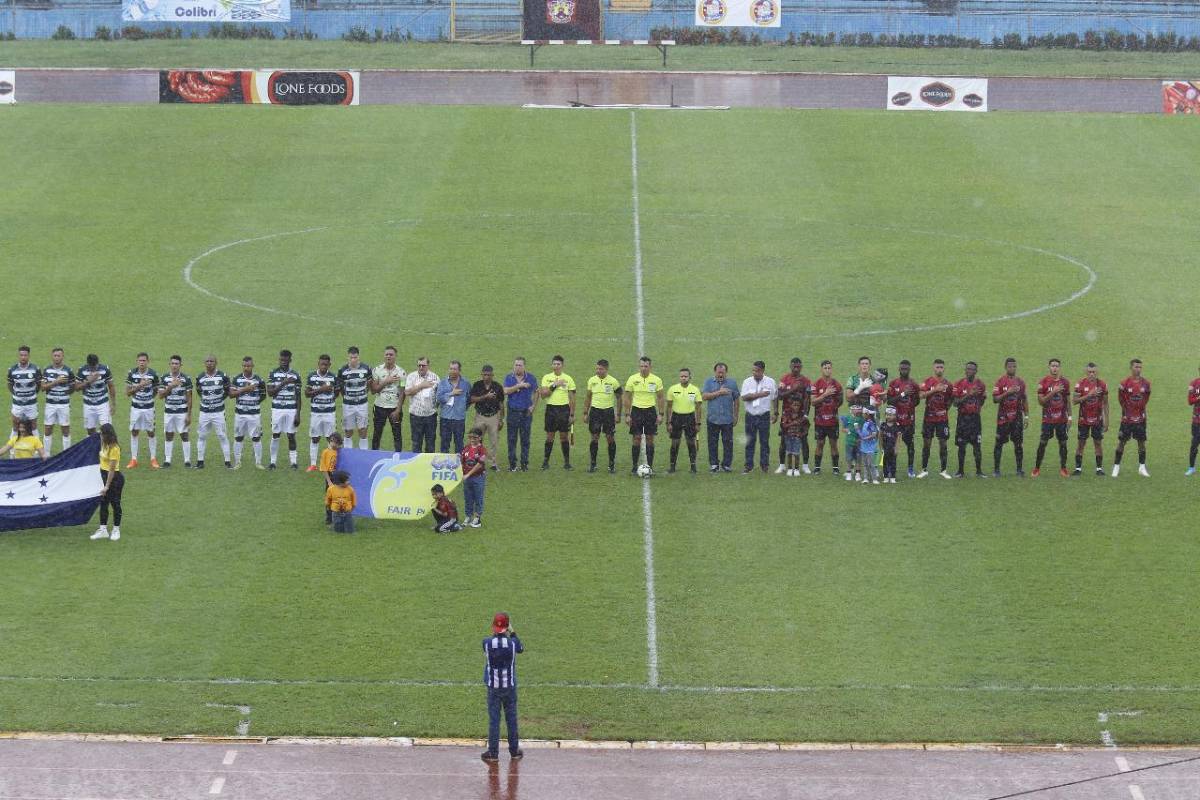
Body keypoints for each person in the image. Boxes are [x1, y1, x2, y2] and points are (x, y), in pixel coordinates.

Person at [481, 612, 524, 764]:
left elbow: (493, 641)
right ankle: (514, 751)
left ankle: (493, 753)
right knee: (511, 719)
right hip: (509, 687)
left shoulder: (486, 643)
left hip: (493, 688)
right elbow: (520, 648)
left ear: (494, 627)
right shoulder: (513, 644)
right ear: (507, 627)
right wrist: (513, 632)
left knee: (494, 720)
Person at [624, 356, 665, 475]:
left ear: (650, 367)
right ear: (639, 367)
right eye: (641, 366)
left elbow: (660, 397)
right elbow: (627, 397)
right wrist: (627, 414)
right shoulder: (632, 379)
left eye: (646, 366)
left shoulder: (656, 380)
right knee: (636, 438)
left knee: (650, 439)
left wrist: (661, 414)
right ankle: (634, 466)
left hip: (650, 411)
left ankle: (650, 466)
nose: (643, 368)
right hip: (636, 411)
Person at [1113, 358, 1151, 478]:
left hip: (1140, 419)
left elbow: (1146, 399)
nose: (1138, 369)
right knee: (1121, 442)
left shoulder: (1146, 384)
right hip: (1127, 419)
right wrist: (1128, 411)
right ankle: (1116, 467)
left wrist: (1139, 411)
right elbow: (1121, 400)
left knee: (1141, 443)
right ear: (1131, 368)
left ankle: (1142, 467)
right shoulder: (1124, 383)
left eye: (1140, 367)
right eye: (1136, 367)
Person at [1033, 358, 1071, 478]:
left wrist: (1070, 417)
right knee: (1043, 443)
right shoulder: (1043, 382)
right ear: (1049, 367)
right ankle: (1036, 468)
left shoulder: (1065, 382)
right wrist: (1053, 392)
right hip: (1047, 419)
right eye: (1053, 366)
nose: (1055, 368)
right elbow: (1041, 402)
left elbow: (1068, 401)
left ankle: (1063, 468)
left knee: (1063, 443)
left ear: (1059, 368)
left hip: (1061, 420)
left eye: (1057, 366)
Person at [583, 359, 621, 474]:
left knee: (610, 437)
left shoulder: (613, 381)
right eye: (597, 368)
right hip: (595, 411)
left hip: (608, 412)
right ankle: (593, 464)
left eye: (601, 369)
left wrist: (618, 414)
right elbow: (588, 397)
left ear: (606, 369)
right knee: (594, 437)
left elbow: (619, 398)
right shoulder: (592, 380)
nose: (598, 371)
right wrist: (585, 413)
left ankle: (611, 465)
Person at [775, 358, 811, 476]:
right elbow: (780, 396)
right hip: (787, 415)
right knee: (784, 440)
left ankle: (805, 466)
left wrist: (806, 414)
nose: (796, 369)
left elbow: (808, 399)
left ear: (801, 367)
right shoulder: (784, 379)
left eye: (798, 367)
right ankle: (782, 465)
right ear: (790, 366)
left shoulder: (806, 381)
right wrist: (793, 389)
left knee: (803, 439)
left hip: (800, 415)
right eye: (794, 366)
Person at [992, 357, 1027, 477]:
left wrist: (1026, 416)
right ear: (1005, 367)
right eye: (1010, 366)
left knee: (1018, 444)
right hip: (1003, 419)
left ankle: (1019, 469)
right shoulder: (1000, 381)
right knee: (999, 444)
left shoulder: (1021, 382)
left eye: (1014, 366)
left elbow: (1024, 399)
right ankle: (996, 470)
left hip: (1017, 418)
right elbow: (995, 399)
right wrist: (1008, 392)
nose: (1012, 368)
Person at [194, 354, 232, 469]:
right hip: (204, 412)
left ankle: (228, 462)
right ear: (204, 363)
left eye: (212, 361)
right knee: (201, 436)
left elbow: (227, 391)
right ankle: (200, 462)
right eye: (207, 361)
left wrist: (218, 400)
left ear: (216, 363)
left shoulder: (223, 376)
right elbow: (200, 392)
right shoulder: (200, 377)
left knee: (222, 436)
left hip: (218, 412)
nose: (209, 363)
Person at [267, 349, 302, 470]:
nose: (283, 362)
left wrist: (298, 414)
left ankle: (293, 462)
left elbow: (298, 396)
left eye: (285, 360)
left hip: (291, 410)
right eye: (281, 360)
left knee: (291, 435)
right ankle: (272, 462)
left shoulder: (296, 375)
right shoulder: (273, 373)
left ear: (290, 360)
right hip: (277, 409)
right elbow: (270, 393)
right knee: (276, 435)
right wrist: (284, 382)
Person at [539, 355, 576, 471]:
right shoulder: (547, 377)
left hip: (564, 410)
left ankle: (567, 463)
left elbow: (572, 398)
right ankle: (545, 462)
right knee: (550, 436)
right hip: (551, 409)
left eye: (558, 364)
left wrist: (572, 415)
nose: (556, 366)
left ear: (562, 365)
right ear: (552, 365)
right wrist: (555, 385)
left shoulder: (568, 379)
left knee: (564, 437)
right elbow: (543, 395)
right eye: (554, 364)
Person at [918, 359, 953, 479]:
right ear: (933, 368)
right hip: (929, 418)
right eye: (937, 367)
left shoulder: (948, 384)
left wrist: (945, 409)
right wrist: (934, 390)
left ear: (944, 369)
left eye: (941, 367)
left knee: (943, 444)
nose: (939, 369)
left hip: (942, 419)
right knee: (927, 443)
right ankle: (924, 469)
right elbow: (921, 395)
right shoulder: (928, 381)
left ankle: (944, 470)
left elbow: (951, 399)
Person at [701, 362, 739, 473]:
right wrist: (719, 392)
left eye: (723, 372)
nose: (720, 374)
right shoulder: (709, 382)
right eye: (719, 372)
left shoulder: (732, 383)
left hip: (727, 419)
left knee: (728, 443)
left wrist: (736, 416)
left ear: (726, 372)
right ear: (715, 372)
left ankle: (726, 465)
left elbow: (736, 400)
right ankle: (714, 464)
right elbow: (704, 396)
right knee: (712, 442)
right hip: (713, 419)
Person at [1072, 362, 1109, 476]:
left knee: (1098, 442)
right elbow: (1074, 401)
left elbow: (1105, 403)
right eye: (1089, 372)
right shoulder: (1080, 384)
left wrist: (1107, 420)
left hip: (1097, 420)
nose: (1092, 374)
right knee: (1081, 443)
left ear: (1096, 372)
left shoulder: (1102, 385)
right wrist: (1089, 395)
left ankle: (1099, 469)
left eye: (1093, 372)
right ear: (1086, 372)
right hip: (1083, 419)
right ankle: (1078, 469)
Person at [230, 355, 267, 470]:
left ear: (252, 366)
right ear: (242, 366)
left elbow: (263, 395)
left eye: (248, 366)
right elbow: (231, 395)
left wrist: (254, 403)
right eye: (244, 366)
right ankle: (237, 462)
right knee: (238, 437)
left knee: (256, 438)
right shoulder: (236, 379)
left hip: (254, 415)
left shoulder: (259, 380)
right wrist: (245, 389)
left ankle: (258, 462)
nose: (246, 368)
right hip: (240, 415)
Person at [124, 352, 159, 469]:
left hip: (149, 408)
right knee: (134, 431)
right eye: (140, 360)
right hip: (136, 408)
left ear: (148, 361)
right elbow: (127, 393)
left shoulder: (153, 374)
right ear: (137, 361)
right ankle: (134, 459)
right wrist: (140, 385)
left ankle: (153, 458)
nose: (142, 362)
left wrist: (148, 399)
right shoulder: (132, 373)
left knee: (151, 432)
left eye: (144, 360)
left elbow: (155, 391)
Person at [952, 361, 986, 478]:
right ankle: (960, 471)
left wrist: (980, 401)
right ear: (965, 370)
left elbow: (982, 401)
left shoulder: (981, 385)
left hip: (975, 419)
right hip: (963, 419)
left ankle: (979, 471)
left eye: (972, 369)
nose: (969, 371)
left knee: (977, 446)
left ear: (976, 371)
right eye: (968, 369)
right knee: (961, 446)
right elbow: (955, 403)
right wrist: (969, 395)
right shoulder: (958, 384)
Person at [503, 357, 538, 472]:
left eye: (520, 365)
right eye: (516, 365)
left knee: (525, 439)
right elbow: (505, 391)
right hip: (512, 412)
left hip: (526, 413)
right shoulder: (509, 377)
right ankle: (512, 464)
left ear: (524, 366)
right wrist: (519, 386)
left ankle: (524, 464)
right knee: (511, 439)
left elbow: (536, 392)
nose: (517, 367)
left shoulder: (531, 378)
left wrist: (533, 406)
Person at [740, 360, 776, 474]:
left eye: (757, 371)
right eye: (753, 370)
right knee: (749, 441)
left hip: (764, 415)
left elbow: (775, 397)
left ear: (763, 370)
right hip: (750, 415)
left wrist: (775, 412)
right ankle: (748, 465)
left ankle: (764, 465)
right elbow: (744, 397)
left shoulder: (770, 382)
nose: (755, 373)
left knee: (764, 442)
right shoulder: (747, 382)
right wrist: (760, 394)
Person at [158, 355, 193, 468]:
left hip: (182, 412)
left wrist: (189, 415)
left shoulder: (186, 378)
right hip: (169, 412)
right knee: (169, 435)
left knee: (184, 435)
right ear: (169, 364)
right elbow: (160, 396)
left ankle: (187, 461)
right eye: (172, 363)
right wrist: (170, 387)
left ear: (180, 365)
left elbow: (189, 398)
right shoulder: (164, 378)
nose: (174, 366)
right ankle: (167, 460)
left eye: (176, 364)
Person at [886, 360, 920, 477]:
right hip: (895, 421)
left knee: (910, 445)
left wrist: (909, 409)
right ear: (899, 369)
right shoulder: (893, 384)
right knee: (892, 445)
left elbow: (917, 401)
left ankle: (910, 468)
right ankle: (891, 468)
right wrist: (903, 394)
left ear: (909, 369)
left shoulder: (914, 385)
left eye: (906, 369)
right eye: (902, 368)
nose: (904, 371)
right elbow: (889, 401)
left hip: (909, 421)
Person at [305, 354, 338, 472]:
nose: (323, 366)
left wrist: (329, 400)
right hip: (316, 413)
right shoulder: (312, 376)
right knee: (315, 437)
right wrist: (321, 389)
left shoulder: (333, 377)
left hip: (329, 413)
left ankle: (330, 464)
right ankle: (313, 464)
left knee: (331, 438)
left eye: (326, 364)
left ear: (329, 365)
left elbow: (337, 392)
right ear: (318, 364)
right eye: (321, 364)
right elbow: (307, 394)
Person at [469, 365, 505, 471]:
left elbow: (501, 403)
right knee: (477, 439)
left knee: (494, 441)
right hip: (480, 416)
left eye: (489, 375)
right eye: (484, 375)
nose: (486, 377)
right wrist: (485, 396)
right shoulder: (477, 385)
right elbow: (472, 399)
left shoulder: (497, 387)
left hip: (493, 416)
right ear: (481, 375)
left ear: (492, 375)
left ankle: (493, 463)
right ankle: (477, 461)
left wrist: (501, 419)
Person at [666, 368, 702, 474]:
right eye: (681, 376)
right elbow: (669, 407)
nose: (683, 378)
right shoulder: (672, 389)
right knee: (675, 443)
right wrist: (668, 422)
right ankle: (672, 466)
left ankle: (693, 466)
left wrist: (698, 423)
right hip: (676, 417)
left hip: (690, 417)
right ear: (679, 377)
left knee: (691, 442)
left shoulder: (695, 390)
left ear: (690, 377)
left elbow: (698, 408)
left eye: (685, 376)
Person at [91, 423, 124, 541]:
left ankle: (116, 529)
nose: (100, 436)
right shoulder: (104, 444)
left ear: (107, 435)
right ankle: (103, 529)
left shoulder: (114, 448)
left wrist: (107, 486)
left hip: (114, 479)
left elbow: (112, 469)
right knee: (103, 504)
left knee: (115, 504)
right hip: (104, 477)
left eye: (102, 434)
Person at [370, 345, 405, 452]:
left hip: (394, 407)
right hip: (379, 407)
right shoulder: (377, 370)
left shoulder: (402, 372)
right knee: (377, 433)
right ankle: (374, 455)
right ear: (384, 356)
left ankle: (398, 456)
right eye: (386, 354)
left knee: (397, 434)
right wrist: (386, 381)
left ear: (395, 356)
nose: (388, 356)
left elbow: (402, 392)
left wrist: (398, 410)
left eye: (391, 354)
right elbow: (373, 390)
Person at [40, 347, 74, 455]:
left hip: (64, 405)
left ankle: (66, 455)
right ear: (52, 356)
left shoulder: (68, 370)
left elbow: (73, 386)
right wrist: (56, 381)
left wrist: (64, 394)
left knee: (65, 429)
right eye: (55, 355)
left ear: (62, 356)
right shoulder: (47, 370)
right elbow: (43, 387)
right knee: (48, 428)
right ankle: (46, 455)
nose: (56, 358)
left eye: (58, 355)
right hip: (50, 405)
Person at [337, 346, 372, 451]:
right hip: (348, 405)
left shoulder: (366, 368)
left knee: (363, 430)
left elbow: (369, 384)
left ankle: (363, 454)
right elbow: (341, 387)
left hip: (362, 405)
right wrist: (348, 397)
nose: (353, 360)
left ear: (358, 357)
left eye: (355, 357)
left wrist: (362, 394)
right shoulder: (342, 370)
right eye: (351, 358)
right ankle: (348, 453)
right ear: (348, 357)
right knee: (348, 431)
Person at [811, 360, 843, 475]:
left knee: (833, 444)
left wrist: (832, 408)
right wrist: (825, 394)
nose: (827, 370)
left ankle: (835, 468)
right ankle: (817, 468)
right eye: (825, 368)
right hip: (820, 422)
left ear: (832, 369)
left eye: (829, 368)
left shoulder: (837, 384)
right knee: (820, 443)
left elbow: (840, 401)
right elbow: (813, 402)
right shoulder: (816, 384)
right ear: (821, 369)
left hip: (833, 421)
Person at [404, 357, 439, 454]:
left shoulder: (435, 377)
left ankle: (429, 463)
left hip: (431, 417)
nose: (421, 367)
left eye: (423, 365)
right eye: (419, 365)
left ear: (428, 366)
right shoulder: (411, 376)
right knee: (416, 443)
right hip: (416, 416)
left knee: (430, 444)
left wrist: (434, 406)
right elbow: (407, 392)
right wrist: (421, 386)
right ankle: (417, 462)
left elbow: (439, 395)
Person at [75, 353, 115, 436]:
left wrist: (113, 404)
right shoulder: (82, 370)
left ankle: (105, 444)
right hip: (88, 405)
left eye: (95, 367)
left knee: (107, 429)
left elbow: (111, 386)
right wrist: (88, 381)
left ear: (97, 363)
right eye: (91, 367)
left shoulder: (105, 369)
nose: (93, 369)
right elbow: (76, 388)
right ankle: (95, 444)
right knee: (90, 431)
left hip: (103, 404)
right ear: (88, 364)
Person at [436, 360, 470, 454]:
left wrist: (462, 409)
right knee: (444, 444)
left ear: (459, 370)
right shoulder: (443, 383)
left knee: (459, 444)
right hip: (445, 418)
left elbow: (469, 399)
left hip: (459, 419)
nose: (452, 371)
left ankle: (459, 462)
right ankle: (444, 462)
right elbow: (439, 399)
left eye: (455, 369)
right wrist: (451, 393)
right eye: (451, 369)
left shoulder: (466, 384)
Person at [8, 345, 40, 442]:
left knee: (33, 426)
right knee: (15, 426)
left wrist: (31, 394)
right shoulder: (12, 369)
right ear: (18, 356)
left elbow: (38, 385)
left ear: (28, 356)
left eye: (25, 355)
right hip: (17, 404)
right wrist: (17, 395)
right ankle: (12, 450)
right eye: (21, 355)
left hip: (31, 404)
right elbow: (10, 385)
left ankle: (37, 450)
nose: (23, 357)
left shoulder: (35, 369)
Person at [461, 428, 487, 528]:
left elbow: (479, 465)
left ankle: (477, 518)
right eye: (470, 437)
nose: (472, 439)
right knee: (468, 498)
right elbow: (462, 461)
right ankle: (468, 516)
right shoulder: (466, 448)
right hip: (467, 478)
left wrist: (468, 474)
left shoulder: (482, 450)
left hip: (478, 477)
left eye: (474, 437)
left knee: (478, 497)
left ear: (480, 438)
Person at [319, 432, 343, 525]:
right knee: (330, 497)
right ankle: (329, 518)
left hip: (338, 476)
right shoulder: (326, 452)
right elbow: (323, 468)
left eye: (336, 442)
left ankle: (338, 516)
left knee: (339, 497)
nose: (334, 444)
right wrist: (329, 481)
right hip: (330, 476)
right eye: (332, 441)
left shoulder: (340, 452)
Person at [324, 470, 356, 534]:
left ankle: (349, 532)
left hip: (347, 511)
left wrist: (352, 507)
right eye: (347, 481)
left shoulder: (350, 489)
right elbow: (328, 499)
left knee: (349, 527)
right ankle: (338, 531)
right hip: (336, 512)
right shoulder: (331, 489)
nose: (349, 482)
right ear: (340, 482)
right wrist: (328, 506)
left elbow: (353, 500)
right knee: (337, 527)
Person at [839, 404, 863, 482]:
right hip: (849, 441)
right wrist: (847, 430)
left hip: (858, 442)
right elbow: (843, 428)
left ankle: (858, 473)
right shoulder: (848, 418)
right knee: (849, 458)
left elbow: (863, 430)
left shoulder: (862, 419)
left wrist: (860, 437)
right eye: (855, 409)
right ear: (851, 410)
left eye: (858, 409)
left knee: (858, 458)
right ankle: (849, 472)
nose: (857, 411)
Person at [858, 407, 879, 484]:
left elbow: (874, 435)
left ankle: (874, 479)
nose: (862, 415)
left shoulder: (871, 424)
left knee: (871, 464)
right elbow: (863, 434)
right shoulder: (865, 423)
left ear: (868, 414)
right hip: (864, 447)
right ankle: (865, 478)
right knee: (865, 464)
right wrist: (858, 430)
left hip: (870, 448)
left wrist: (864, 438)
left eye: (864, 413)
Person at [880, 406, 900, 483]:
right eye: (887, 415)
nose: (889, 416)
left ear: (895, 416)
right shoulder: (883, 425)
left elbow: (898, 438)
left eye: (891, 415)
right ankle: (885, 477)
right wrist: (881, 447)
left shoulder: (897, 425)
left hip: (893, 447)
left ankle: (893, 477)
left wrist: (896, 448)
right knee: (885, 462)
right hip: (885, 447)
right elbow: (880, 437)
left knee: (893, 462)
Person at [1189, 365, 1200, 476]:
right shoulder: (1193, 383)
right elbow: (1190, 401)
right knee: (1194, 445)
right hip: (1197, 421)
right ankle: (1191, 468)